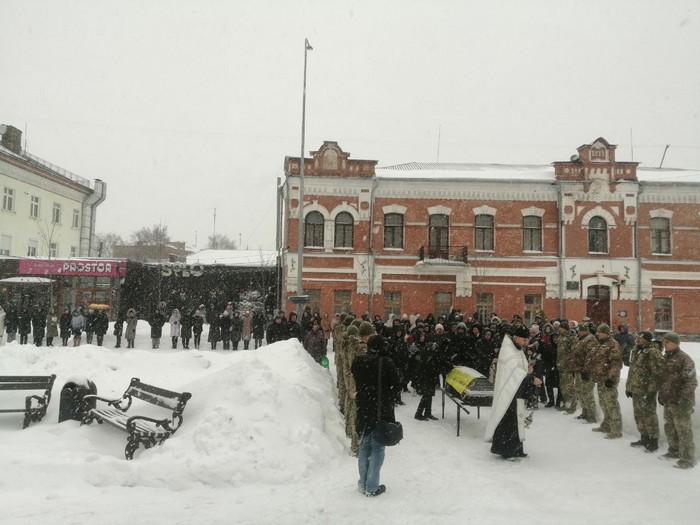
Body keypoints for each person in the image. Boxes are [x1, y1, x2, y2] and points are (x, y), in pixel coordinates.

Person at [351, 333, 400, 497]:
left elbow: (355, 375)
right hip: (380, 410)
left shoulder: (358, 361)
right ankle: (372, 486)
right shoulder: (385, 362)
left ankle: (362, 483)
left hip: (363, 409)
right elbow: (397, 384)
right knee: (378, 448)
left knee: (364, 446)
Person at [485, 325, 543, 461]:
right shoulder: (508, 351)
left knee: (517, 420)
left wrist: (527, 369)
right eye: (524, 340)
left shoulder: (516, 349)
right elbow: (512, 373)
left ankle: (516, 449)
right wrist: (531, 379)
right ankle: (506, 450)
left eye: (527, 340)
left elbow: (519, 369)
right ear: (516, 338)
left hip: (516, 391)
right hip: (509, 392)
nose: (526, 343)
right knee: (509, 421)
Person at [658, 332, 697, 469]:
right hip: (669, 399)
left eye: (667, 342)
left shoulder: (685, 359)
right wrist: (661, 394)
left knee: (683, 430)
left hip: (681, 401)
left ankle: (687, 458)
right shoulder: (665, 358)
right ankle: (674, 450)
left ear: (675, 343)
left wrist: (684, 399)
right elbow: (663, 379)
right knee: (670, 427)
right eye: (664, 342)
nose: (665, 344)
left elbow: (691, 382)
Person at [625, 331, 663, 452]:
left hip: (646, 390)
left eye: (640, 338)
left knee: (649, 416)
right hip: (636, 389)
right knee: (638, 415)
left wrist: (651, 391)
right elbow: (632, 370)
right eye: (637, 337)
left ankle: (653, 440)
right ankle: (644, 438)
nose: (637, 339)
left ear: (647, 339)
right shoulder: (637, 350)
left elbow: (657, 373)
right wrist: (629, 387)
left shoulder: (653, 352)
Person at [588, 323, 623, 439]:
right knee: (603, 403)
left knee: (611, 404)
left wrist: (611, 378)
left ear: (606, 333)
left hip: (608, 380)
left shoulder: (613, 345)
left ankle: (616, 429)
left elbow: (615, 363)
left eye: (600, 332)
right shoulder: (601, 344)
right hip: (601, 379)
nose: (597, 334)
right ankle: (606, 425)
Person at [413, 341, 452, 420]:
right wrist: (451, 366)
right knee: (427, 394)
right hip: (428, 374)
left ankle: (427, 413)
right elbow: (441, 361)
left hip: (427, 374)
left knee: (429, 394)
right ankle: (418, 414)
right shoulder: (436, 350)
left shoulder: (433, 348)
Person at [572, 324, 598, 423]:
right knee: (580, 392)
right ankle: (585, 412)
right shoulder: (580, 339)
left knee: (587, 393)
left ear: (586, 331)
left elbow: (590, 356)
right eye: (579, 330)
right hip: (579, 370)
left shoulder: (590, 340)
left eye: (581, 330)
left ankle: (591, 416)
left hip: (586, 371)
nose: (579, 332)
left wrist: (586, 370)